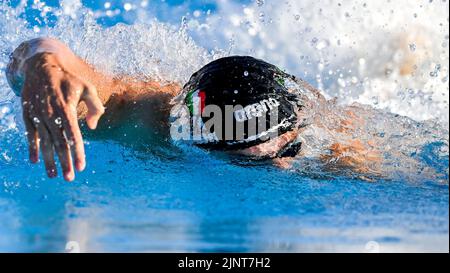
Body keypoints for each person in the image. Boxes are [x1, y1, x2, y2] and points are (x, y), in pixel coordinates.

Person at [5, 37, 381, 181]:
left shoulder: (341, 150)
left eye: (286, 151)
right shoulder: (146, 120)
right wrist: (43, 66)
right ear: (194, 137)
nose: (280, 168)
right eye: (240, 160)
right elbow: (43, 52)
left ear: (295, 130)